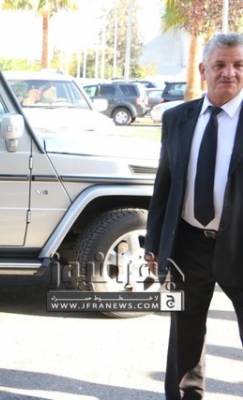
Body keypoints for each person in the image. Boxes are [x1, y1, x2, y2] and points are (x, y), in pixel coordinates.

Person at [145, 33, 243, 399]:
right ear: (203, 70)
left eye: (238, 65)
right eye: (220, 65)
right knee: (185, 333)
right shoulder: (177, 119)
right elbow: (164, 187)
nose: (229, 73)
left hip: (240, 245)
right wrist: (155, 244)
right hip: (188, 244)